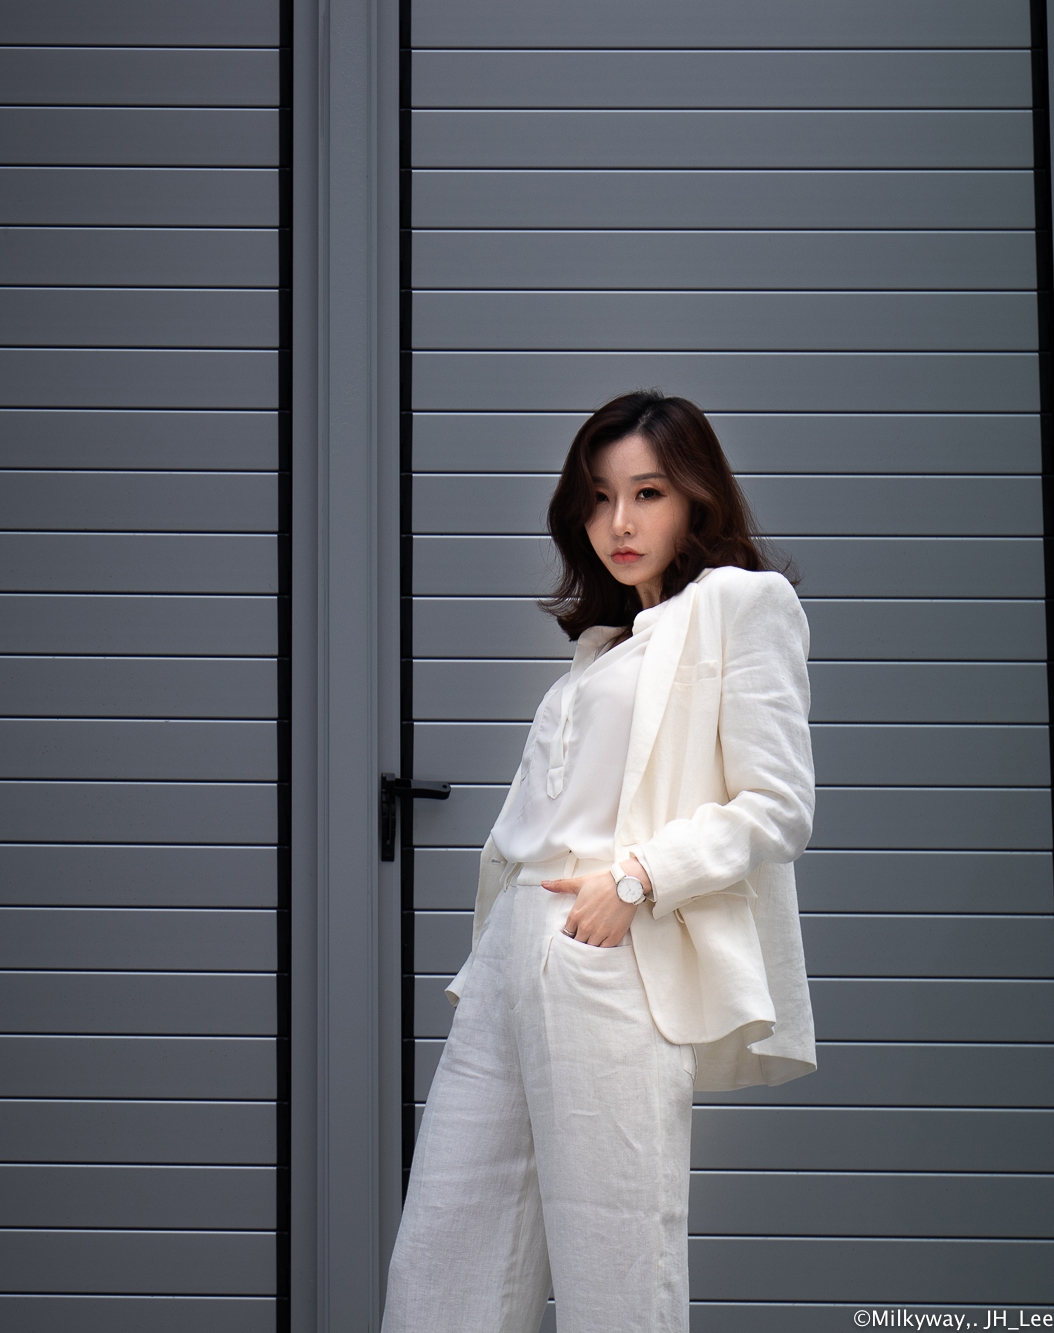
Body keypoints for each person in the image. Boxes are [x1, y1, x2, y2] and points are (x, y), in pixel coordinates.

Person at [382, 390, 816, 1333]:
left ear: (696, 498)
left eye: (648, 493)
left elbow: (778, 804)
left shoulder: (741, 605)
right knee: (445, 1251)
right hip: (509, 960)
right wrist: (498, 948)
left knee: (615, 1257)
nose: (620, 522)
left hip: (610, 942)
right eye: (599, 497)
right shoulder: (604, 647)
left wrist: (636, 879)